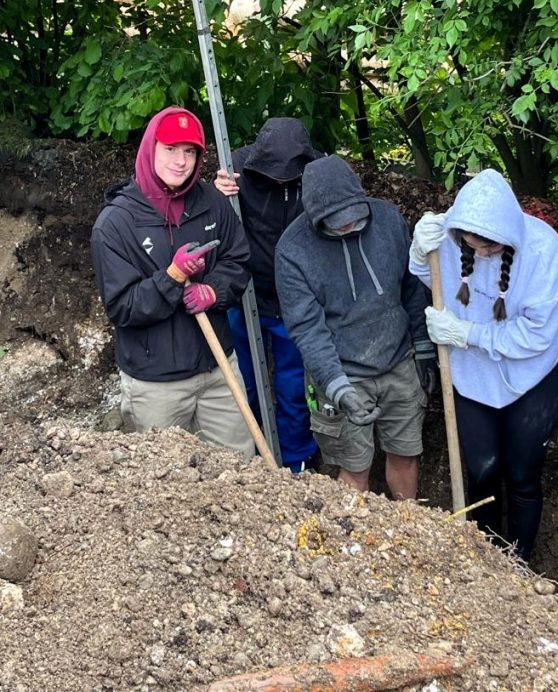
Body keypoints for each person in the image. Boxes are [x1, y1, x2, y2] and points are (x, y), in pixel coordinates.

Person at [409, 169, 558, 561]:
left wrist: (467, 334)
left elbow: (536, 335)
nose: (480, 253)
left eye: (490, 248)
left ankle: (519, 561)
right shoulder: (449, 235)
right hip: (470, 377)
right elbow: (425, 273)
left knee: (522, 476)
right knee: (481, 472)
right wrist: (417, 251)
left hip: (531, 379)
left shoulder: (545, 251)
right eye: (471, 245)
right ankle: (489, 560)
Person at [91, 106, 254, 459]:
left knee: (241, 474)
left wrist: (213, 290)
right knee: (163, 487)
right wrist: (173, 277)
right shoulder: (116, 224)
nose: (181, 161)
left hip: (217, 371)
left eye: (190, 151)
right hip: (156, 385)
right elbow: (123, 307)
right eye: (170, 149)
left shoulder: (212, 203)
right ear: (151, 148)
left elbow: (238, 259)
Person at [274, 155, 437, 499]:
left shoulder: (389, 220)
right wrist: (337, 387)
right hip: (342, 372)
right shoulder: (293, 251)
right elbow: (307, 329)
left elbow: (411, 289)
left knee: (405, 453)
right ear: (315, 217)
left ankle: (411, 528)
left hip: (399, 364)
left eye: (353, 217)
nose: (348, 226)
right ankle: (357, 542)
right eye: (337, 222)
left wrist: (423, 349)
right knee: (354, 467)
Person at [214, 117, 319, 473]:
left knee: (293, 386)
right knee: (246, 377)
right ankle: (255, 452)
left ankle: (296, 459)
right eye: (275, 174)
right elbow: (208, 210)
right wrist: (217, 190)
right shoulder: (237, 170)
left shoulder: (316, 174)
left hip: (295, 300)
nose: (281, 180)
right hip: (247, 294)